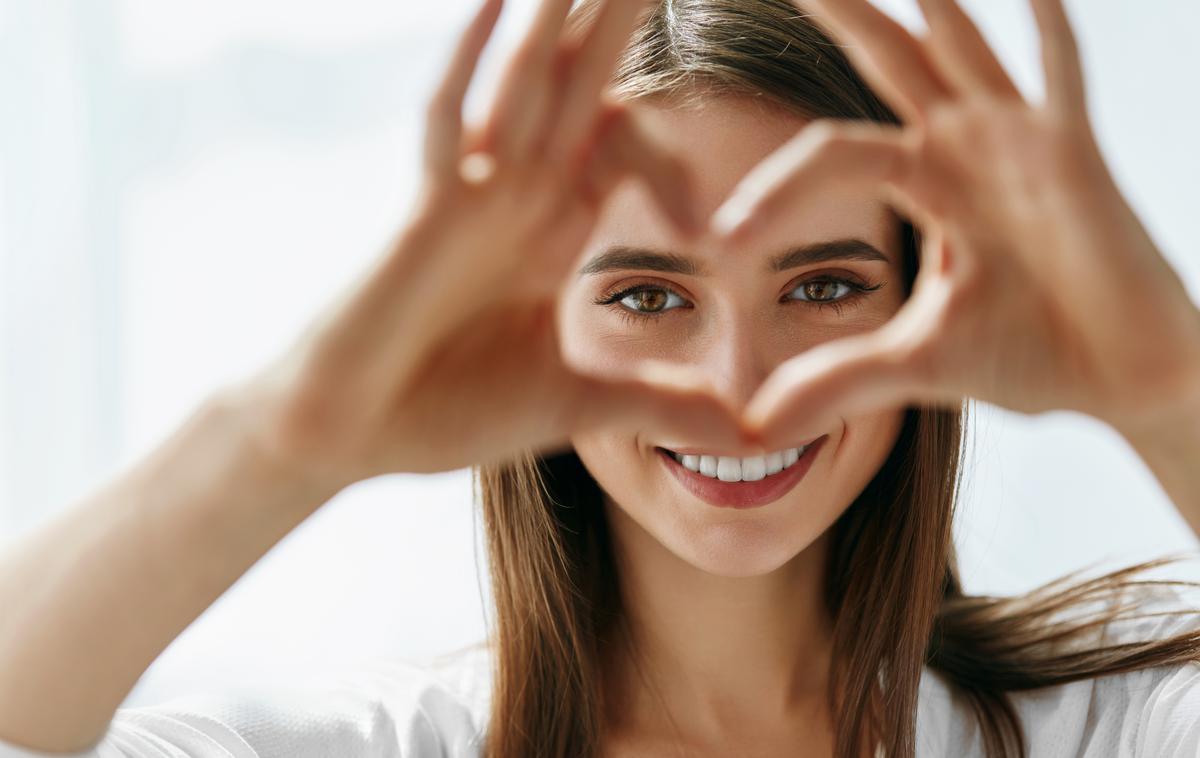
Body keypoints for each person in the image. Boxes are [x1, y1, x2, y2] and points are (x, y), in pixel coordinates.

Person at [2, 0, 1200, 755]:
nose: (739, 379)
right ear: (541, 323)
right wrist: (285, 439)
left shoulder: (1108, 725)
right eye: (647, 295)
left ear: (925, 297)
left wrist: (1170, 389)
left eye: (826, 285)